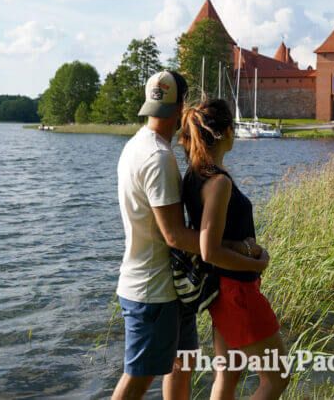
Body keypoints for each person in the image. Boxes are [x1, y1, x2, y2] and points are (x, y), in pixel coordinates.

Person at [113, 72, 269, 400]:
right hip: (151, 290)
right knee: (138, 379)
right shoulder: (157, 157)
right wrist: (241, 251)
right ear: (181, 105)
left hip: (170, 290)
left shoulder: (138, 146)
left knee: (181, 367)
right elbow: (173, 235)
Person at [180, 99, 289, 400]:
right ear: (227, 131)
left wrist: (244, 247)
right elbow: (209, 250)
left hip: (221, 292)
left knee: (227, 378)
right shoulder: (218, 182)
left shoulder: (195, 175)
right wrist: (257, 264)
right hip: (237, 292)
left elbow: (209, 238)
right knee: (277, 378)